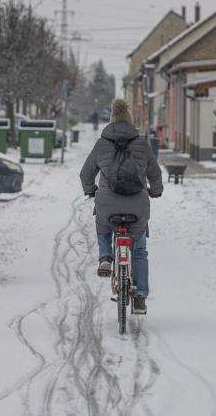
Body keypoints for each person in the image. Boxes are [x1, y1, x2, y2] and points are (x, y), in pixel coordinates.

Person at [79, 99, 163, 314]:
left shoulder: (102, 144)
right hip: (138, 205)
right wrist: (156, 190)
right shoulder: (142, 144)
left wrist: (91, 190)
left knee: (104, 226)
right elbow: (155, 173)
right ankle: (140, 296)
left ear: (112, 120)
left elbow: (86, 173)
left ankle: (106, 257)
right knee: (139, 250)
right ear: (130, 120)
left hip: (108, 204)